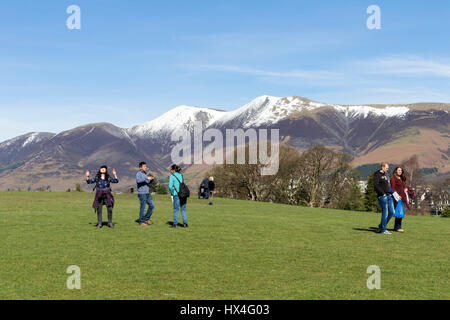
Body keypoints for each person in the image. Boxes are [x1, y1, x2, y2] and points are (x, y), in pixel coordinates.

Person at [373, 162, 395, 235]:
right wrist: (383, 193)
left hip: (389, 196)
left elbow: (388, 185)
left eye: (388, 168)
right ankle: (383, 230)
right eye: (386, 168)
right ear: (382, 167)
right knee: (385, 213)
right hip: (383, 196)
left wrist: (391, 193)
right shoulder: (377, 174)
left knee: (392, 212)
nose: (387, 169)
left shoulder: (387, 175)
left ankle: (381, 225)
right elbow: (376, 185)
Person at [136, 162, 155, 227]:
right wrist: (146, 178)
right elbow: (138, 181)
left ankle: (146, 219)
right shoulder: (138, 173)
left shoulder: (145, 174)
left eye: (146, 166)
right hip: (142, 193)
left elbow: (147, 182)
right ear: (140, 167)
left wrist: (151, 179)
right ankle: (141, 222)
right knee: (143, 207)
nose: (145, 167)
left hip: (147, 193)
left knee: (152, 205)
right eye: (144, 166)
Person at [390, 166, 409, 233]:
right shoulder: (393, 178)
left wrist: (405, 189)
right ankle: (383, 225)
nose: (400, 171)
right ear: (396, 171)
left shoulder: (402, 179)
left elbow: (403, 187)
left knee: (400, 213)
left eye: (401, 170)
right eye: (398, 170)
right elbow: (392, 188)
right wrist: (397, 195)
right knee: (393, 213)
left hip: (401, 198)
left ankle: (398, 227)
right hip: (396, 198)